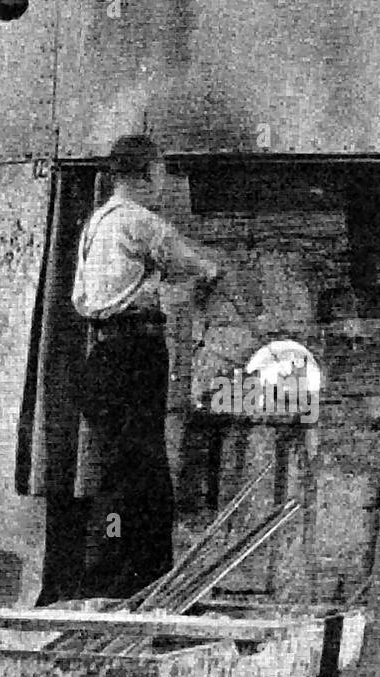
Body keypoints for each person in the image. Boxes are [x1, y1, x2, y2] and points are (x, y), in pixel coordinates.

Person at [71, 134, 222, 599]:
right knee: (142, 472)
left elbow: (82, 297)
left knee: (122, 470)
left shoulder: (97, 223)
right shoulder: (140, 222)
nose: (162, 182)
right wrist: (214, 272)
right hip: (134, 356)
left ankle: (122, 572)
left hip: (101, 356)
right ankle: (133, 578)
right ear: (145, 173)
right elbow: (193, 264)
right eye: (159, 173)